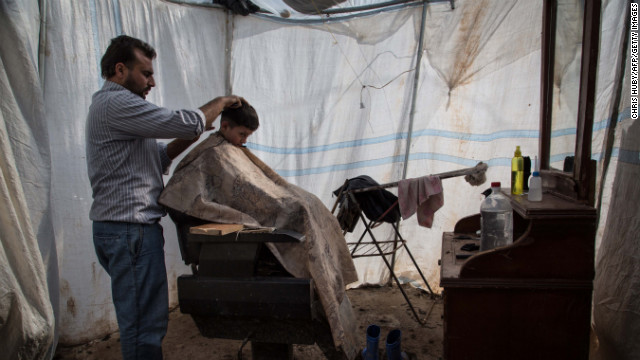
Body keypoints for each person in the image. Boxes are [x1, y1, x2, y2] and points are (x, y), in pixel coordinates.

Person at [158, 102, 360, 360]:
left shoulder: (231, 149)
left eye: (248, 136)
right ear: (225, 126)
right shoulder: (212, 154)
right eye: (242, 134)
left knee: (311, 206)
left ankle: (334, 307)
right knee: (299, 211)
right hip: (237, 245)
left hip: (263, 227)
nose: (244, 141)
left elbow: (262, 188)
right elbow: (189, 195)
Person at [85, 34, 244, 360]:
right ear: (119, 70)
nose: (152, 82)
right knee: (144, 328)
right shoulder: (116, 102)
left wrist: (198, 137)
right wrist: (221, 102)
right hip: (130, 231)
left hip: (121, 230)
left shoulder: (115, 110)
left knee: (142, 322)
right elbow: (181, 122)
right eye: (145, 73)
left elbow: (157, 157)